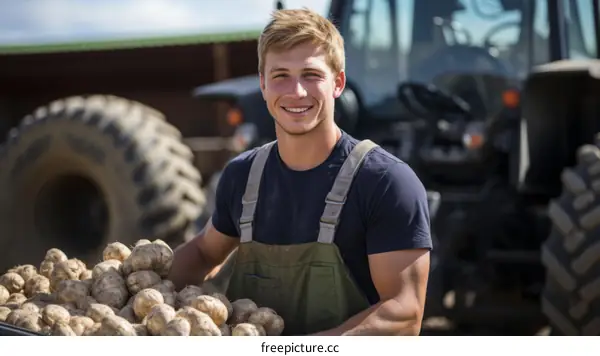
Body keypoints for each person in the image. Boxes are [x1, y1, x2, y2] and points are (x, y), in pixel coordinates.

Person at [168, 7, 432, 336]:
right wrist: (126, 286)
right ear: (262, 85)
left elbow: (403, 312)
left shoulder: (385, 182)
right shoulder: (242, 176)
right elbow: (203, 252)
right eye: (281, 76)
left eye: (311, 75)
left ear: (338, 83)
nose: (297, 92)